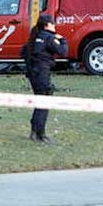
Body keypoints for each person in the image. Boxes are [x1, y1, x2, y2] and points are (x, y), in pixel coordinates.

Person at [21, 14, 68, 144]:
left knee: (39, 101)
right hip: (42, 74)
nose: (55, 26)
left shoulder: (34, 36)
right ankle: (40, 134)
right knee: (43, 103)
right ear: (47, 25)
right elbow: (63, 51)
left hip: (33, 74)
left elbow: (23, 52)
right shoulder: (49, 38)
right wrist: (63, 40)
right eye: (53, 23)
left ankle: (34, 131)